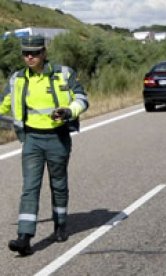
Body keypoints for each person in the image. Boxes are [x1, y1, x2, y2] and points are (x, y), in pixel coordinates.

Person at [0, 36, 89, 256]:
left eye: (35, 53)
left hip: (57, 138)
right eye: (25, 53)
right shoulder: (17, 79)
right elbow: (2, 105)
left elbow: (81, 99)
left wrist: (68, 111)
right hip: (31, 140)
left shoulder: (63, 74)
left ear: (44, 53)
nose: (30, 57)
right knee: (30, 187)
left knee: (58, 184)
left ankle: (60, 225)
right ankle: (24, 237)